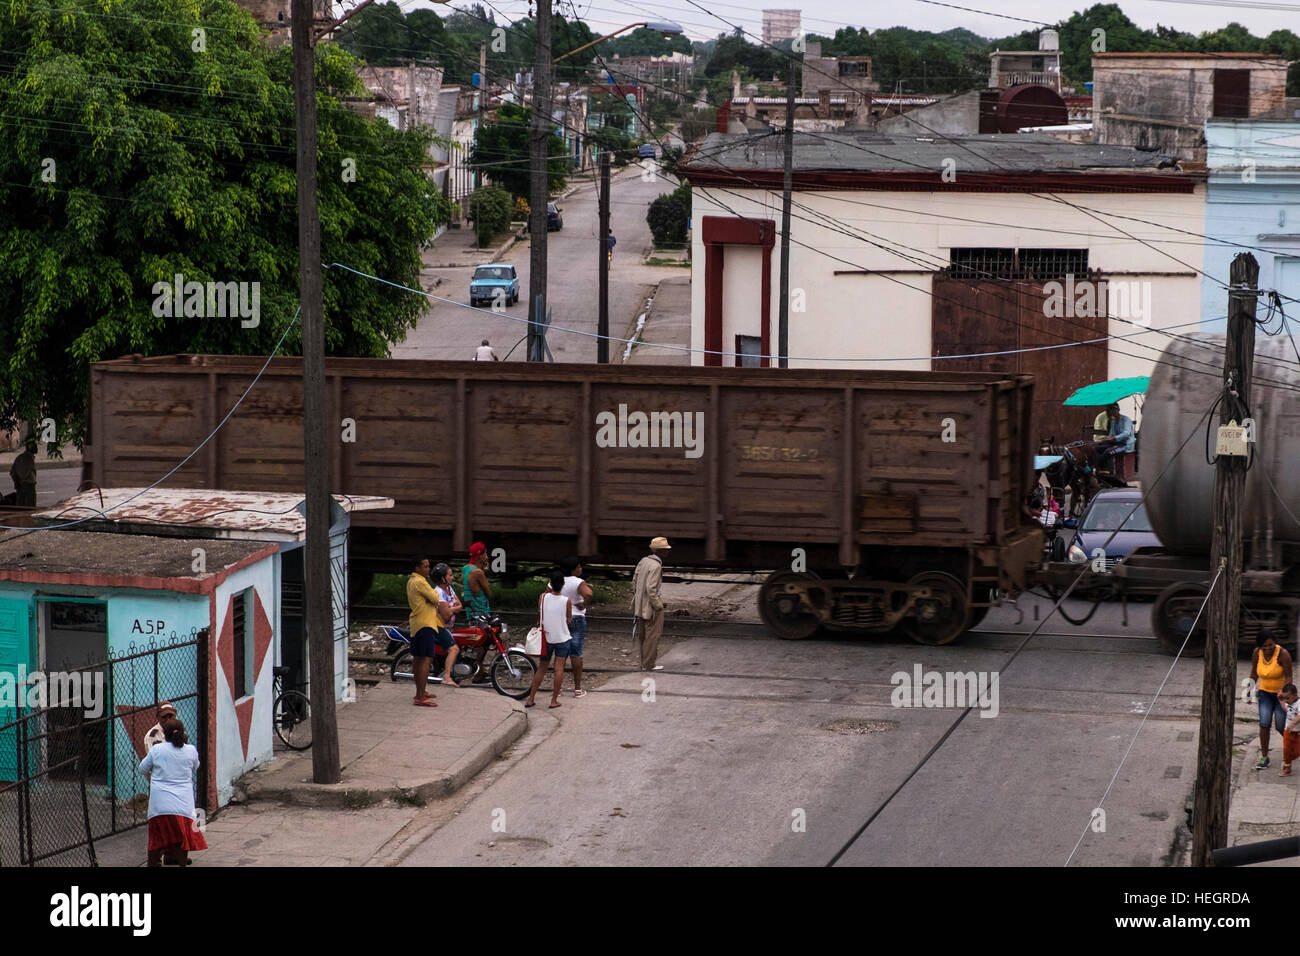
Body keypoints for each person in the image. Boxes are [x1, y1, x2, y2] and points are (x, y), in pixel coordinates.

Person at [137, 717, 207, 866]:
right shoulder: (190, 750)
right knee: (182, 837)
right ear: (182, 733)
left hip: (159, 806)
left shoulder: (157, 750)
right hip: (183, 806)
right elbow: (196, 766)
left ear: (165, 735)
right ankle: (180, 862)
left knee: (157, 838)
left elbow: (142, 768)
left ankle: (154, 862)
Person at [407, 556, 455, 707]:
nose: (429, 569)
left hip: (418, 623)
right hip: (425, 624)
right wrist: (433, 597)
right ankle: (420, 697)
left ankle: (420, 692)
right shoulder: (420, 582)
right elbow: (435, 597)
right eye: (426, 566)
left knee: (418, 659)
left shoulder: (412, 581)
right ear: (417, 568)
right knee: (426, 660)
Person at [524, 569, 572, 710]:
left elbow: (540, 615)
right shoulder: (566, 601)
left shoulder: (542, 597)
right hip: (562, 638)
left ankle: (530, 698)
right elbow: (569, 619)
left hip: (546, 638)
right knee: (559, 669)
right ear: (563, 584)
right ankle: (554, 700)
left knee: (541, 669)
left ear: (550, 583)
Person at [1251, 630, 1294, 770]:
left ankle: (1294, 745)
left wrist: (1284, 693)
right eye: (1265, 646)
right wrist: (1248, 691)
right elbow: (1253, 673)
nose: (1268, 648)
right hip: (1264, 693)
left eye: (1271, 645)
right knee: (1264, 724)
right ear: (1260, 647)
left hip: (1280, 696)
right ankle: (1264, 756)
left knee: (1281, 726)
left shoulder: (1283, 654)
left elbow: (1289, 676)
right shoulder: (1257, 653)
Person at [632, 537, 670, 672]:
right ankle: (649, 664)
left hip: (640, 606)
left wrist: (638, 599)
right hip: (651, 607)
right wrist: (658, 605)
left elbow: (635, 581)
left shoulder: (644, 561)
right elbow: (651, 588)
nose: (667, 552)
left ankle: (643, 663)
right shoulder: (656, 566)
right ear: (660, 551)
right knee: (652, 636)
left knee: (643, 636)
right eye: (665, 550)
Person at [560, 556, 594, 697]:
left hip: (560, 618)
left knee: (560, 654)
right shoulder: (578, 582)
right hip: (576, 618)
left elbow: (546, 595)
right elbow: (589, 594)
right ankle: (577, 689)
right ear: (573, 569)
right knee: (576, 652)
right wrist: (583, 604)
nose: (581, 569)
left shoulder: (556, 580)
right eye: (579, 567)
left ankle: (558, 689)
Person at [463, 543, 494, 682]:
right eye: (485, 554)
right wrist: (483, 570)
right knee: (482, 643)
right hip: (480, 611)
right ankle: (478, 674)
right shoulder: (478, 573)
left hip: (473, 611)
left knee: (480, 643)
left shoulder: (466, 569)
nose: (487, 556)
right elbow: (488, 593)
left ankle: (479, 670)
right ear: (480, 555)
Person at [433, 562, 462, 631]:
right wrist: (454, 607)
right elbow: (446, 616)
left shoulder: (449, 588)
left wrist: (450, 608)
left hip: (449, 629)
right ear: (443, 578)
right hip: (441, 629)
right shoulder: (438, 593)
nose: (452, 577)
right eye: (450, 575)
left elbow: (460, 606)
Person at [9, 439, 36, 507]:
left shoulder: (19, 457)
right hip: (28, 485)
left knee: (20, 506)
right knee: (30, 508)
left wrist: (17, 481)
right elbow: (25, 473)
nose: (37, 448)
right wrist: (21, 481)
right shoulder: (29, 459)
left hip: (20, 486)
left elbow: (12, 472)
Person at [1281, 683, 1300, 776]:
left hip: (1298, 731)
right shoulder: (1287, 702)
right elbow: (1285, 709)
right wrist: (1281, 700)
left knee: (1297, 751)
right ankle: (1287, 766)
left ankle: (1288, 759)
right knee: (1286, 748)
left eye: (1287, 698)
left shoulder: (1299, 703)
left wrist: (1293, 723)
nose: (1286, 700)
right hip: (1288, 730)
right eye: (1284, 698)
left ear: (1295, 695)